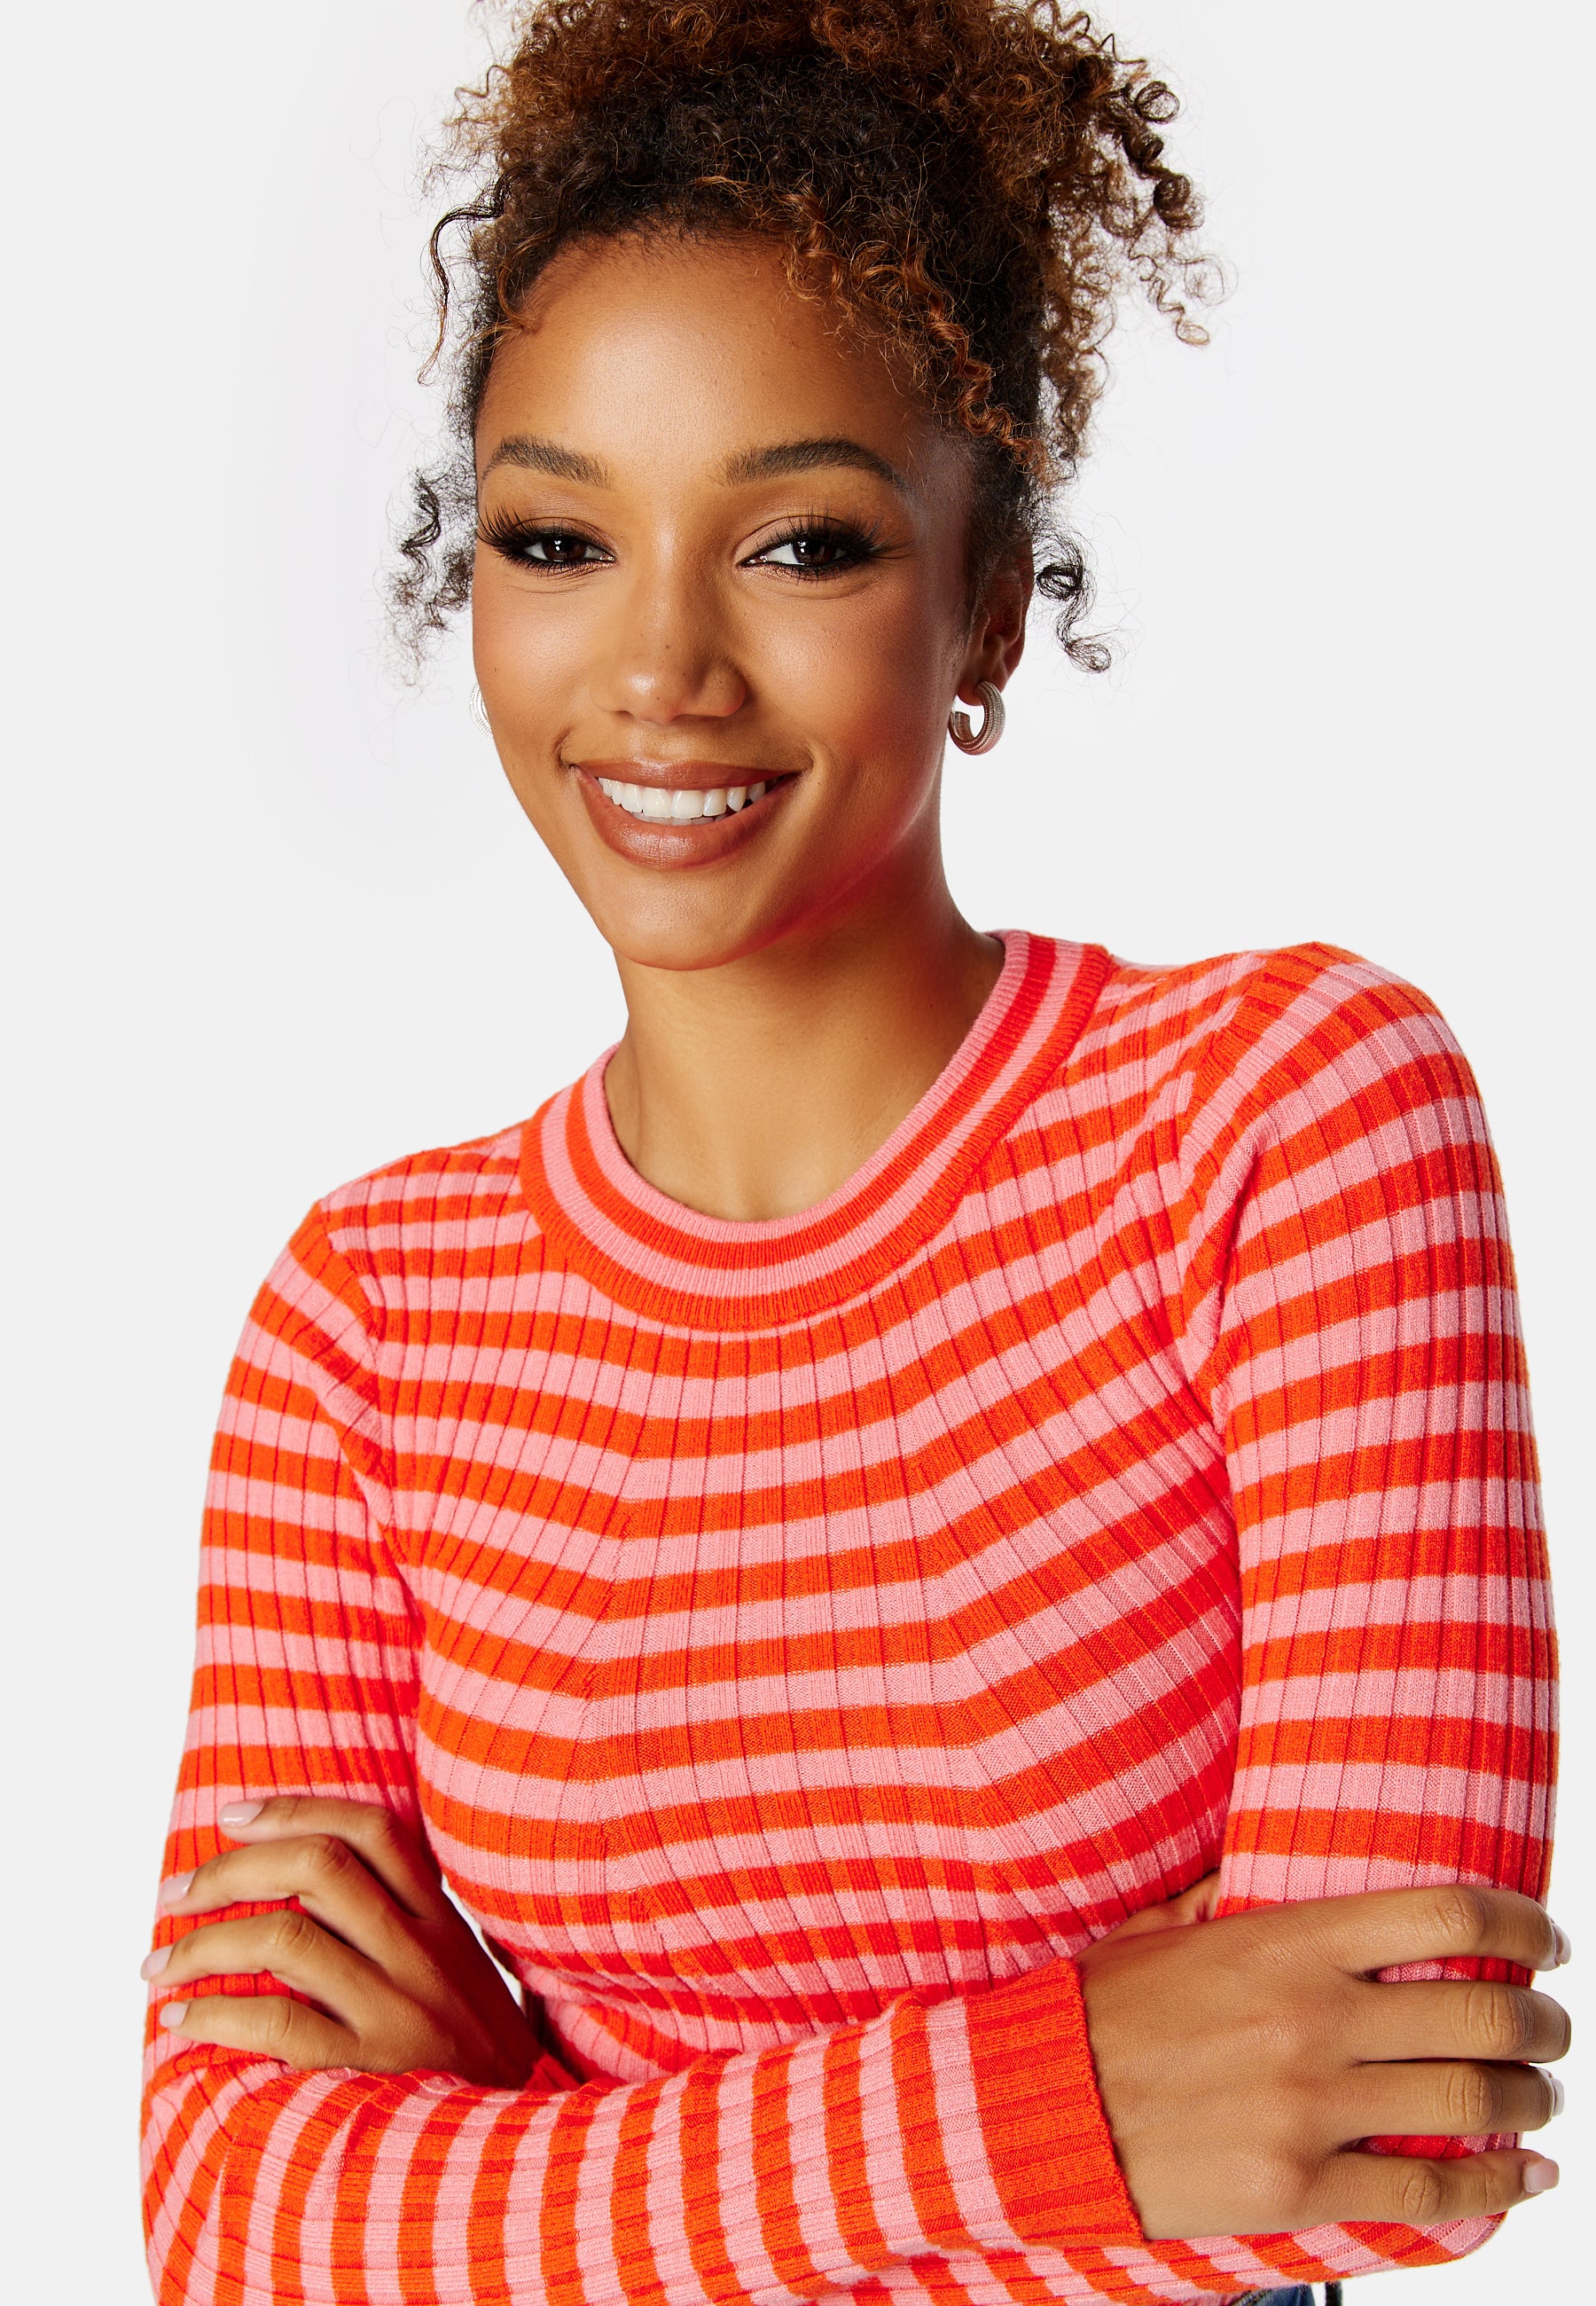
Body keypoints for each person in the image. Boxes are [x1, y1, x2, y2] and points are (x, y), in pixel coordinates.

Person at [138, 6, 1565, 2304]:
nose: (660, 670)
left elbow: (1394, 2134)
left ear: (987, 602)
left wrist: (524, 2138)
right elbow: (231, 2220)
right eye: (558, 537)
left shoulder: (1283, 1120)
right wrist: (1086, 2093)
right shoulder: (368, 1327)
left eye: (802, 542)